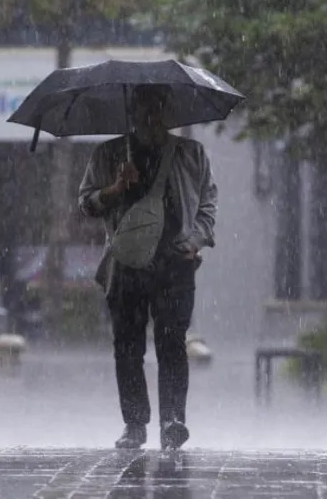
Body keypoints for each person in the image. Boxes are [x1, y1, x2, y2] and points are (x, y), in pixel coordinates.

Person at [77, 84, 218, 450]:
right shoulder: (109, 154)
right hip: (126, 266)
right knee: (127, 347)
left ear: (168, 112)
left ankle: (173, 422)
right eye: (144, 108)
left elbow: (207, 205)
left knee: (172, 344)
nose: (151, 116)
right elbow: (87, 204)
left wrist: (195, 241)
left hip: (176, 264)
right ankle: (135, 424)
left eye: (158, 107)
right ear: (132, 112)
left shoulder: (191, 153)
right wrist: (115, 188)